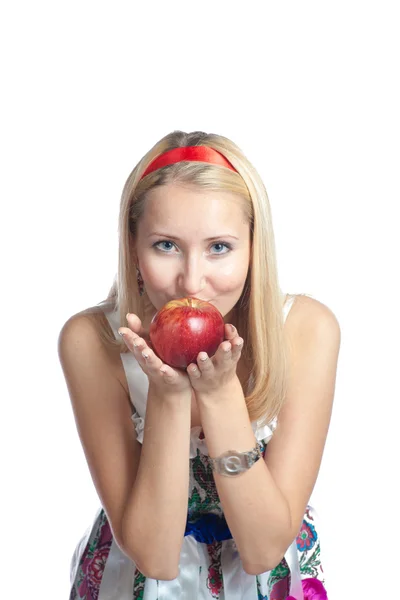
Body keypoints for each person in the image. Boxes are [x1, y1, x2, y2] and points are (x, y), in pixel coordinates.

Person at [58, 130, 341, 600]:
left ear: (254, 249)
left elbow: (263, 548)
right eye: (166, 246)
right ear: (132, 247)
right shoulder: (92, 341)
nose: (192, 280)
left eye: (219, 247)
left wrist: (218, 393)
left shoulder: (307, 331)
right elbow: (154, 554)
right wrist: (168, 395)